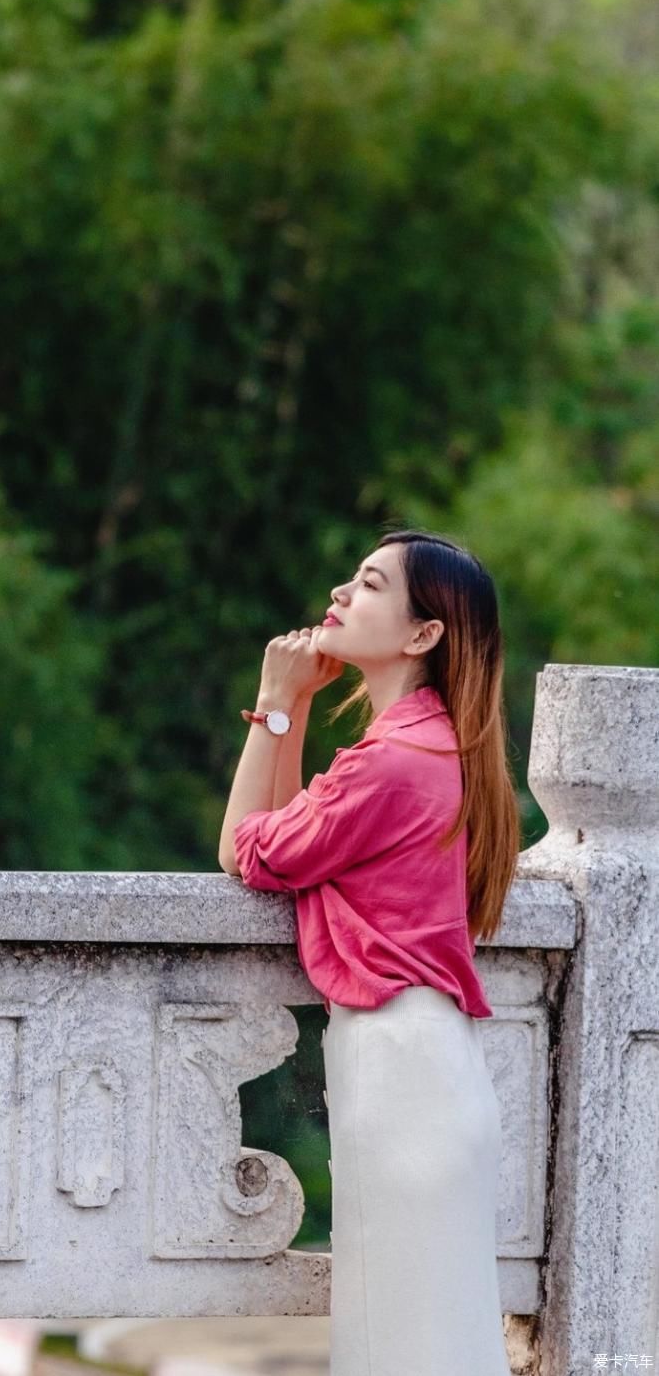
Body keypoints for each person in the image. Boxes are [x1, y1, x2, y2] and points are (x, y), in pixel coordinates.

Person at [218, 527, 521, 1376]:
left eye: (371, 584)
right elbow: (279, 847)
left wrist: (276, 694)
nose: (342, 594)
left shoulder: (392, 763)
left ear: (423, 634)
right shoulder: (428, 747)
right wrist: (298, 710)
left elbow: (243, 849)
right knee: (422, 1343)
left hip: (404, 1073)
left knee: (405, 1350)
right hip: (422, 1066)